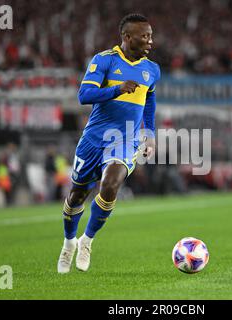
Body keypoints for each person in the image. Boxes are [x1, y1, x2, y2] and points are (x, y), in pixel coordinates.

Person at [57, 13, 160, 273]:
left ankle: (87, 240)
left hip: (126, 138)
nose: (150, 40)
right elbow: (84, 95)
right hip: (94, 138)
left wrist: (149, 134)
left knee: (111, 183)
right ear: (127, 37)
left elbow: (149, 103)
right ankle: (69, 241)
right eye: (144, 35)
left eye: (150, 35)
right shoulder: (104, 60)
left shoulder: (152, 70)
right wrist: (116, 89)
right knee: (77, 194)